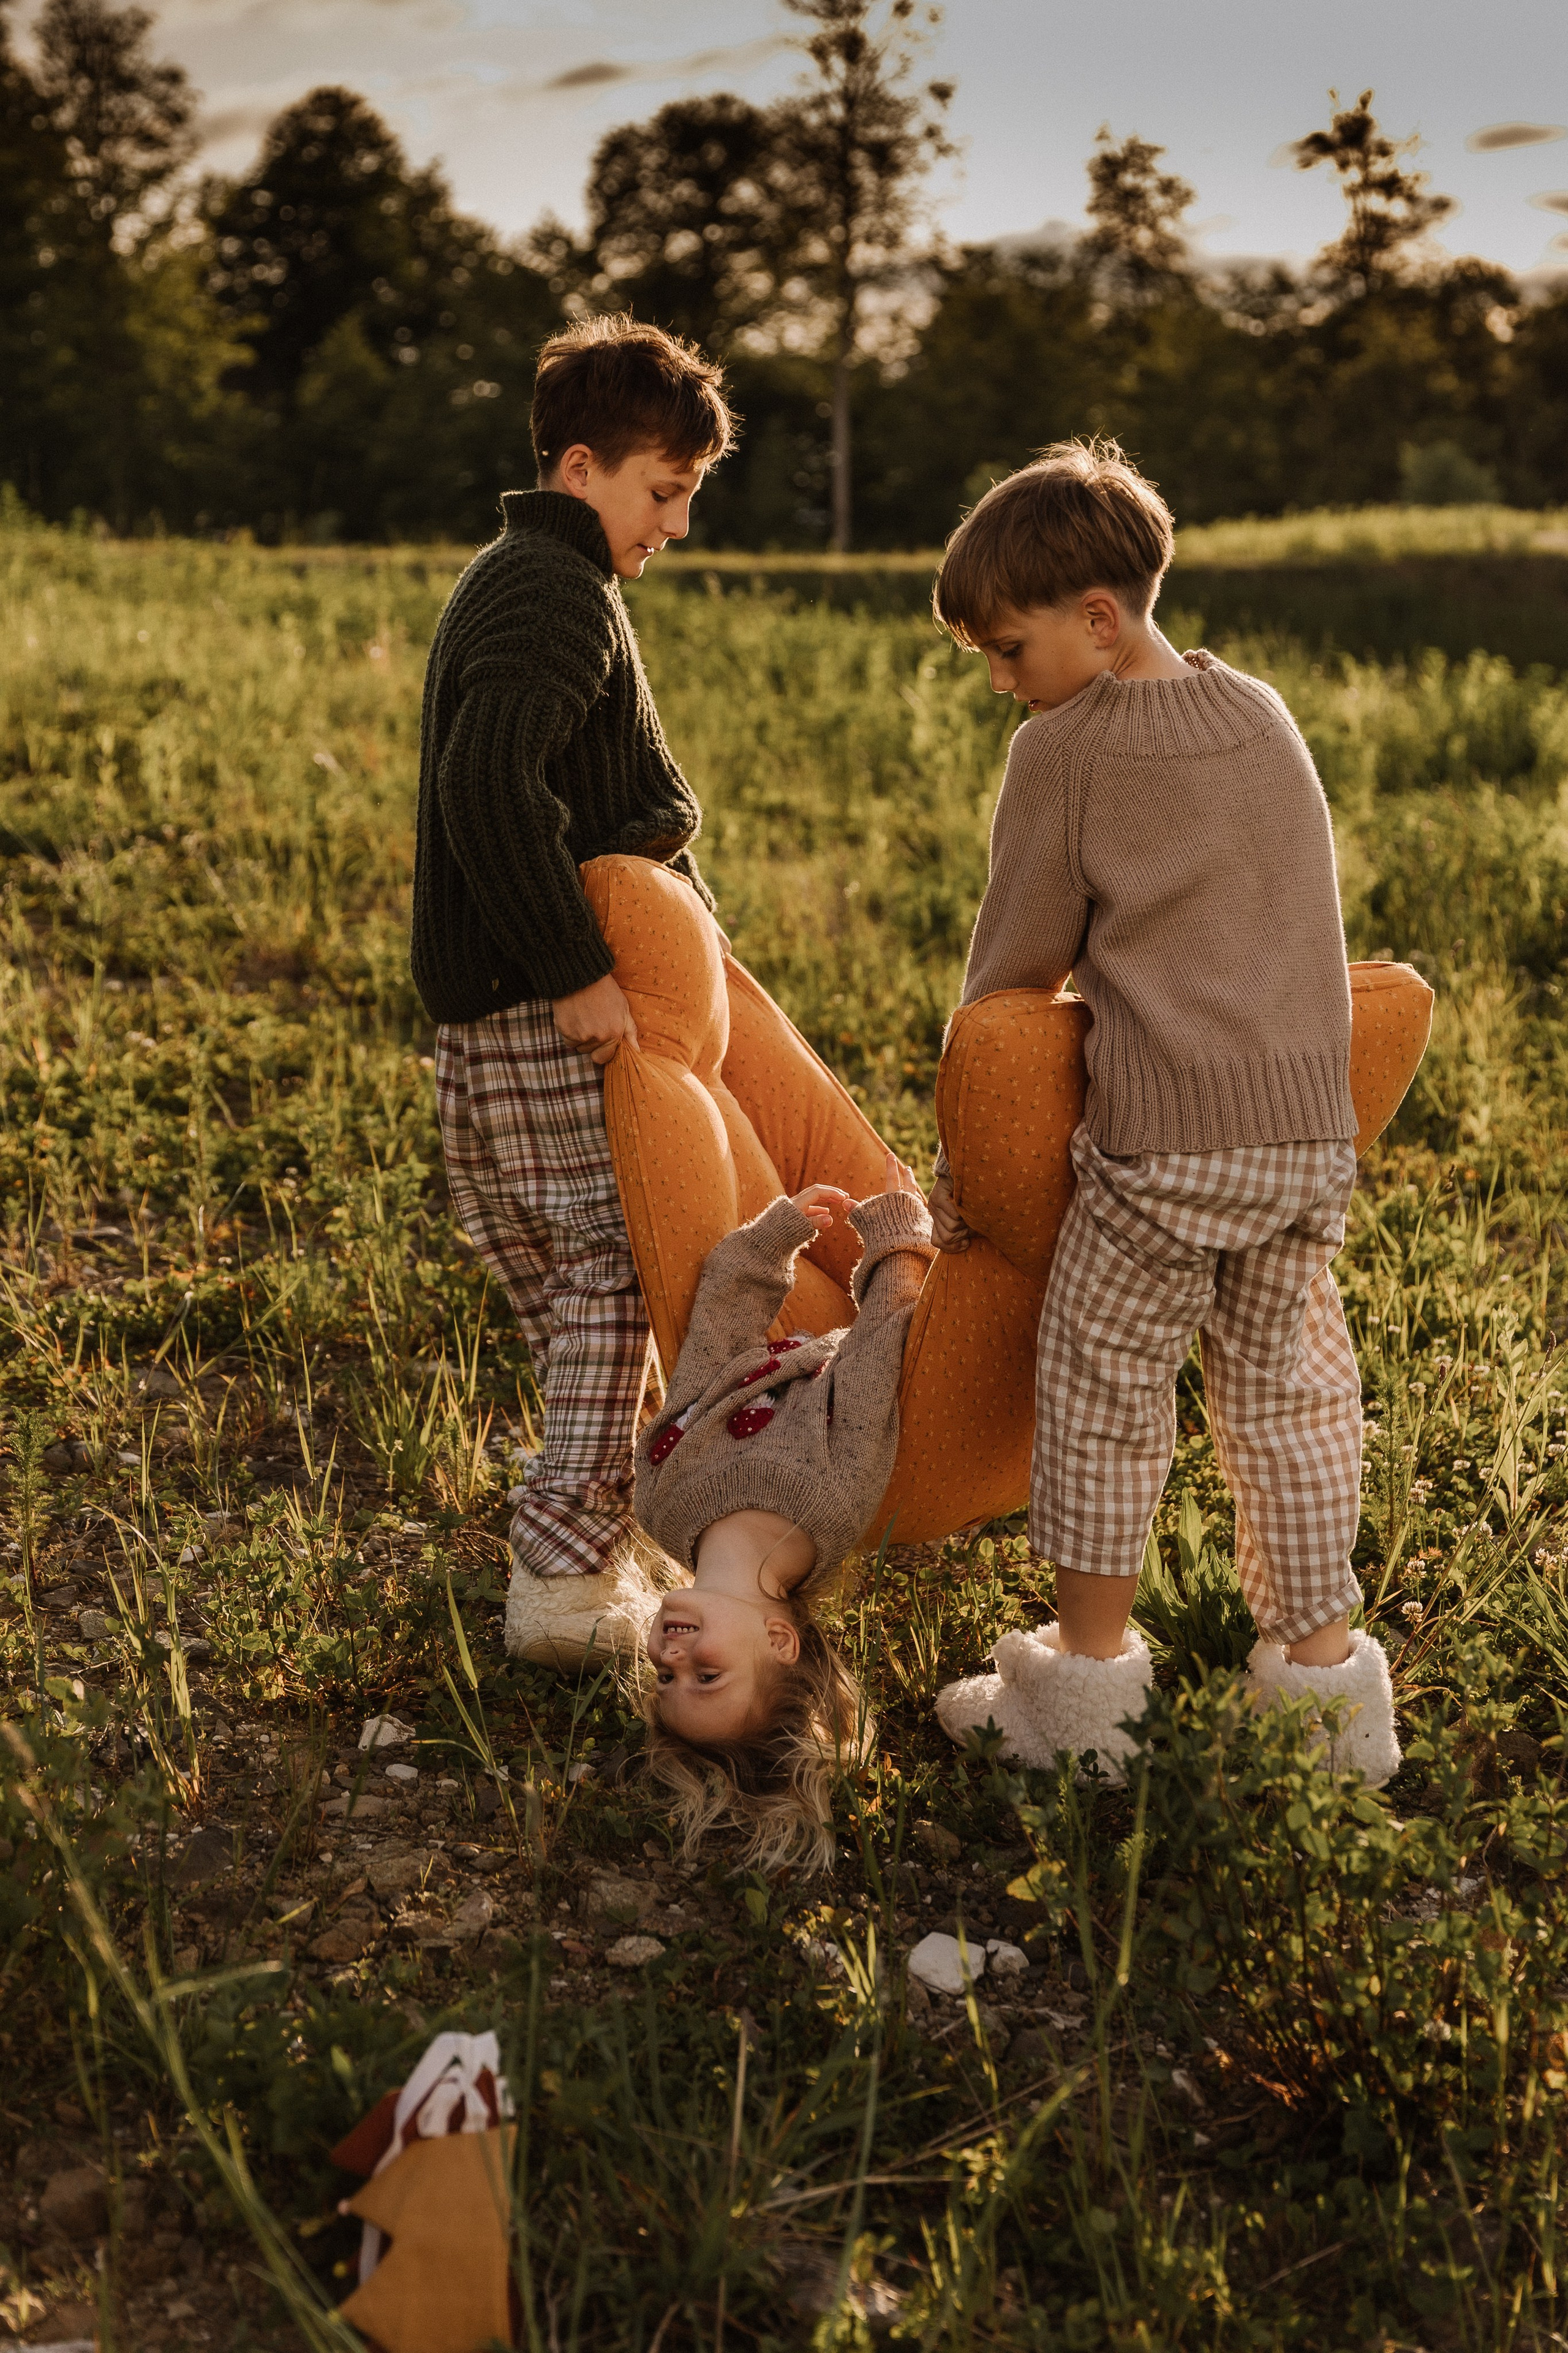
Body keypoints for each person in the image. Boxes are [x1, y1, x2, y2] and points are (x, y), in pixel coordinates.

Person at [927, 439, 1400, 1787]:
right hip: (1307, 1136)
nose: (1004, 682)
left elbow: (1013, 978)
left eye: (1008, 651)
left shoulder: (1061, 752)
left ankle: (1082, 1699)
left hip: (1159, 1152)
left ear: (1094, 618)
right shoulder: (1261, 711)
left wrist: (968, 1147)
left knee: (1099, 1386)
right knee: (1290, 1395)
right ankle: (1323, 1702)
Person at [410, 315, 736, 1666]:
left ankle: (597, 1520)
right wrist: (579, 972)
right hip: (539, 1003)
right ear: (582, 464)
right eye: (662, 493)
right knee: (609, 1261)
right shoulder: (550, 589)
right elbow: (491, 786)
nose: (670, 525)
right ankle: (557, 1578)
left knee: (577, 1276)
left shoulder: (535, 573)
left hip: (509, 999)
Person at [634, 1155, 935, 1870]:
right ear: (780, 1642)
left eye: (663, 1679)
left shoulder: (661, 1498)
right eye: (704, 1676)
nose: (671, 1658)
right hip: (861, 1310)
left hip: (788, 1288)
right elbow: (880, 1352)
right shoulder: (831, 1504)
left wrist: (770, 1242)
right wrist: (897, 1238)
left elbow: (709, 1348)